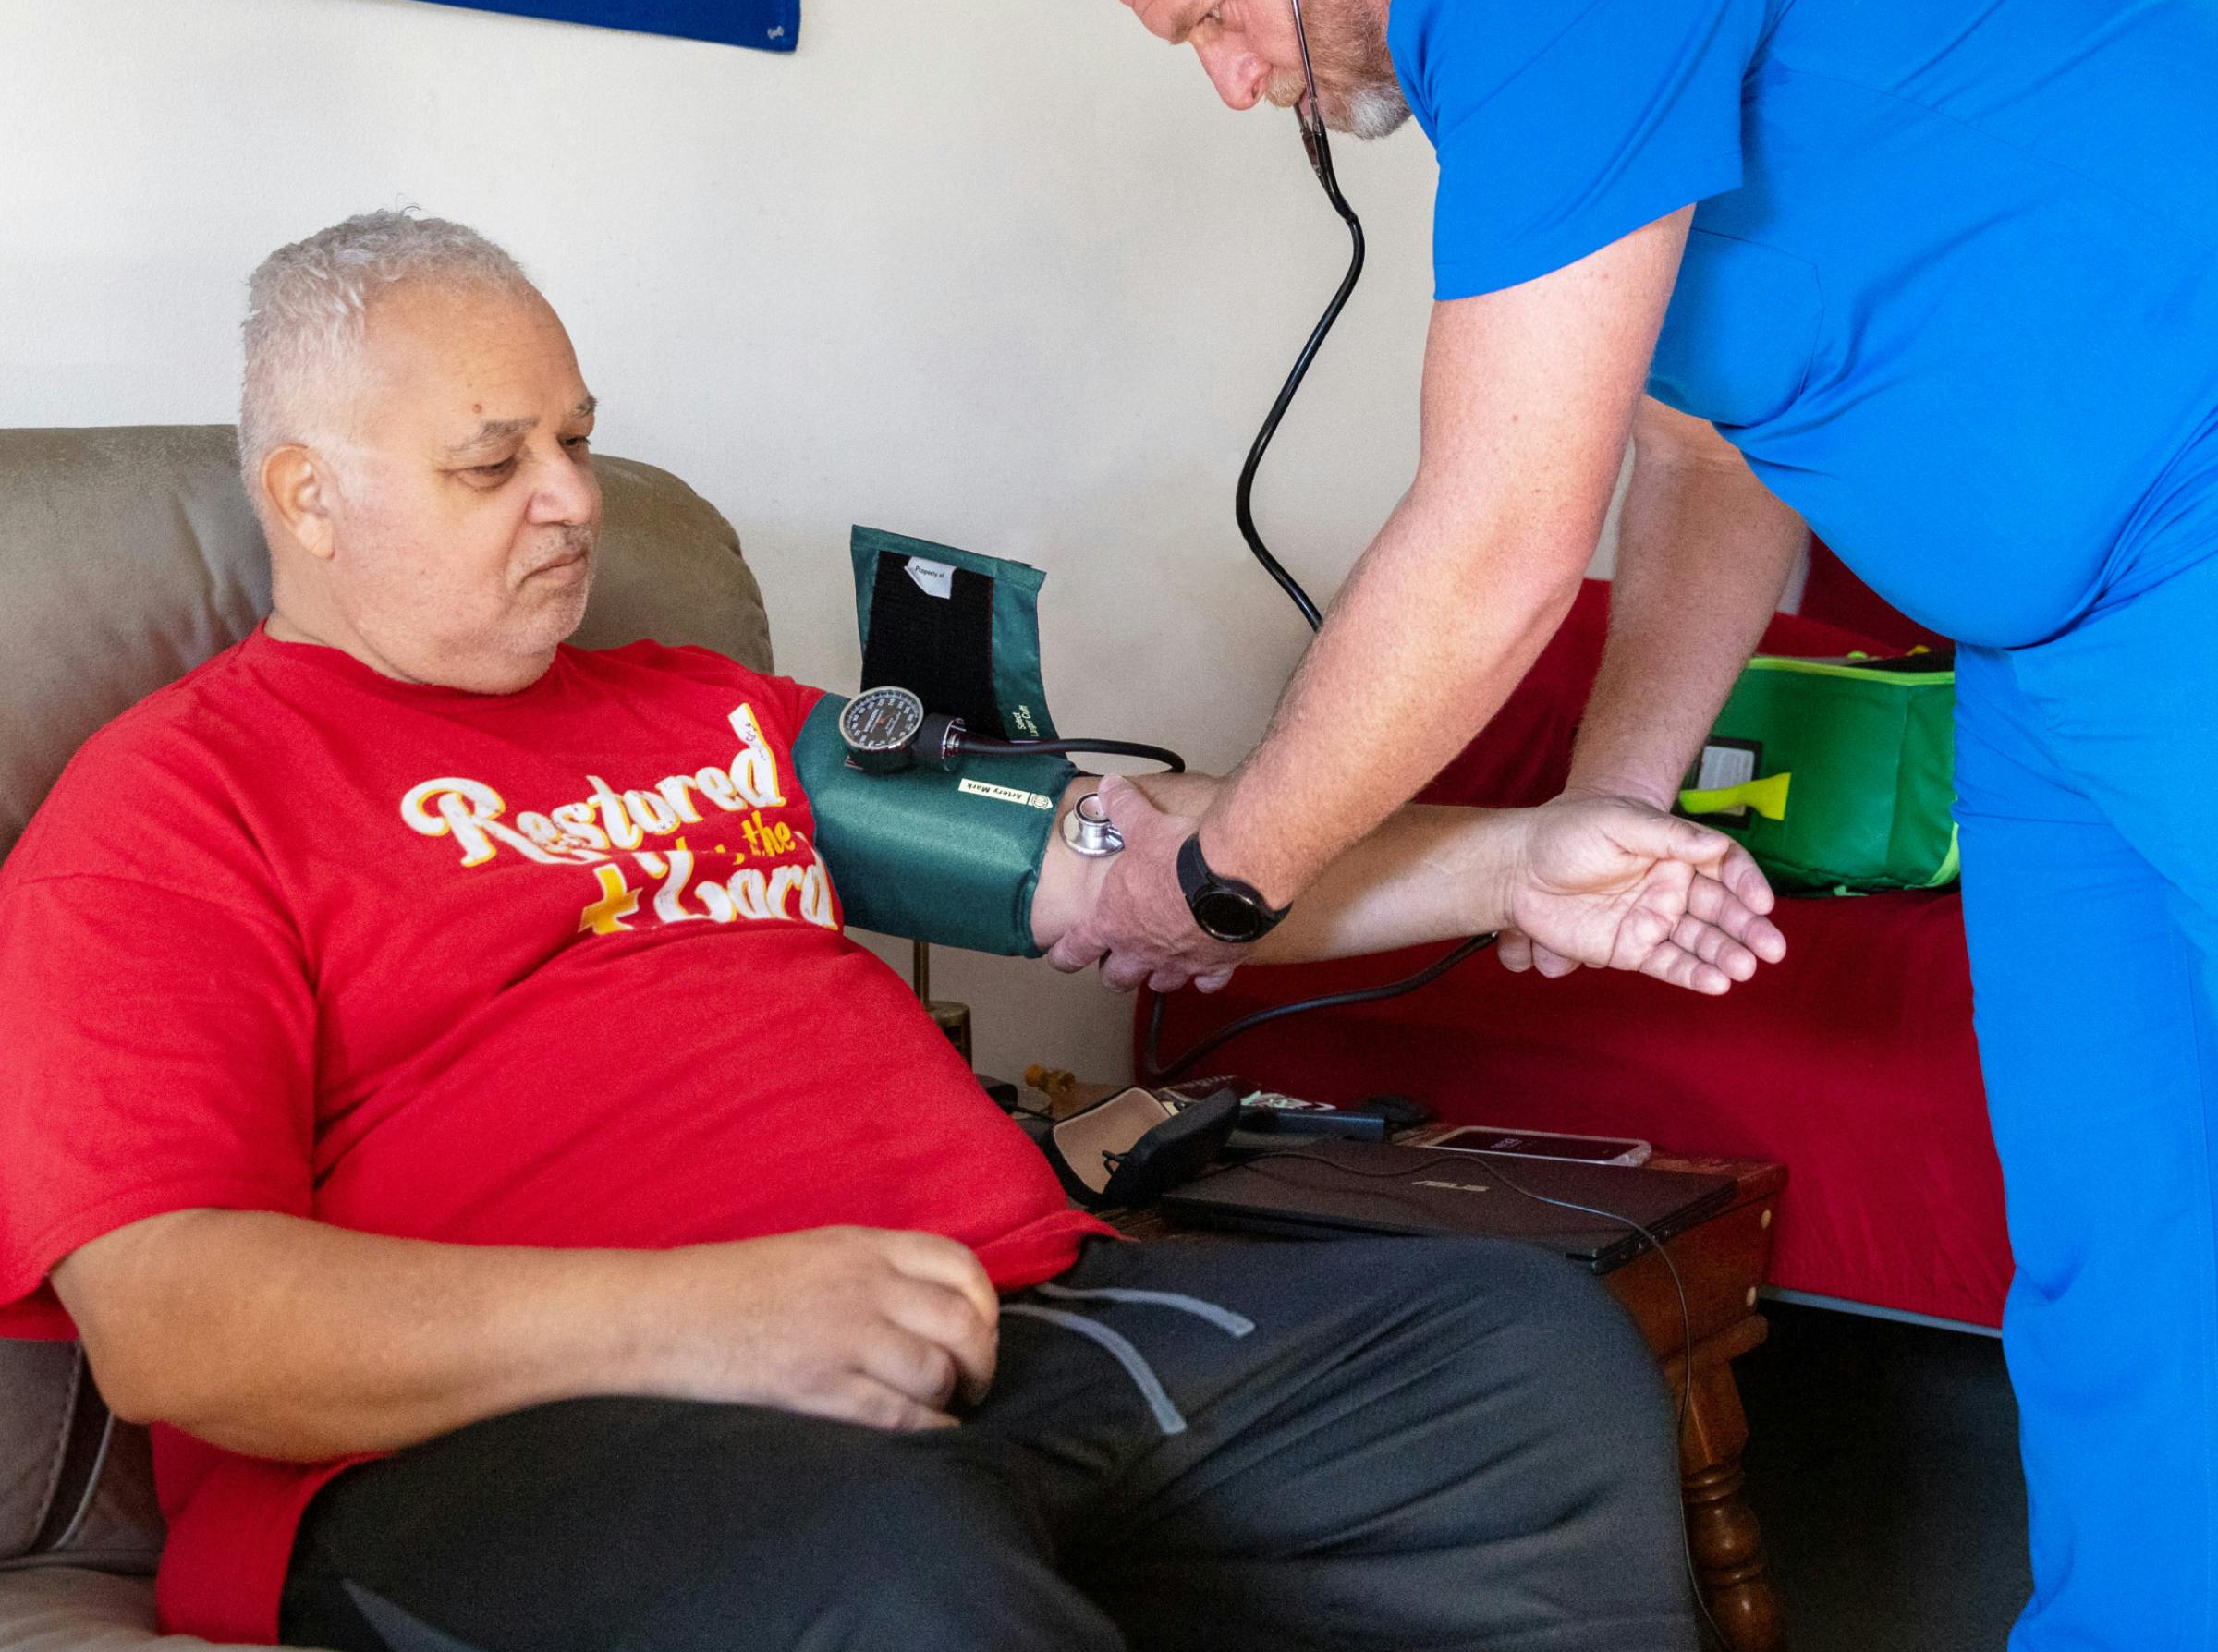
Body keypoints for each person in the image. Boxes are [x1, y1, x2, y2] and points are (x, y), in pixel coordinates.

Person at [0, 210, 1777, 1652]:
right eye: (492, 463)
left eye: (576, 439)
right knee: (885, 1563)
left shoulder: (711, 711)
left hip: (1023, 1322)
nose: (572, 499)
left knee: (1512, 1356)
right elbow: (177, 1324)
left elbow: (1146, 865)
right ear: (309, 498)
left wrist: (1522, 864)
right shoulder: (166, 817)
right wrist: (702, 1321)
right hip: (501, 1443)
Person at [1045, 0, 2218, 1652]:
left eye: (1210, 24)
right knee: (2131, 1262)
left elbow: (1497, 537)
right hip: (2053, 657)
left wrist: (1226, 875)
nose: (1237, 85)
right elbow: (1702, 461)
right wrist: (1610, 802)